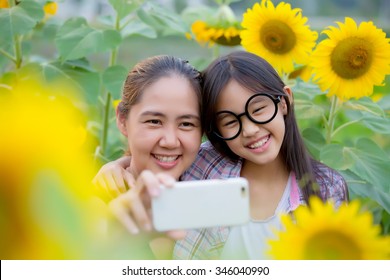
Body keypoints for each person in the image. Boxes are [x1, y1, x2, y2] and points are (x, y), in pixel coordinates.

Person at [94, 51, 349, 259]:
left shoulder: (326, 188)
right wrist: (117, 166)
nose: (249, 130)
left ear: (284, 101)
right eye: (230, 121)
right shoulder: (206, 166)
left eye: (186, 124)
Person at [93, 54, 203, 259]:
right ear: (123, 120)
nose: (170, 141)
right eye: (154, 121)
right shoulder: (95, 210)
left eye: (186, 124)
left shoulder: (212, 194)